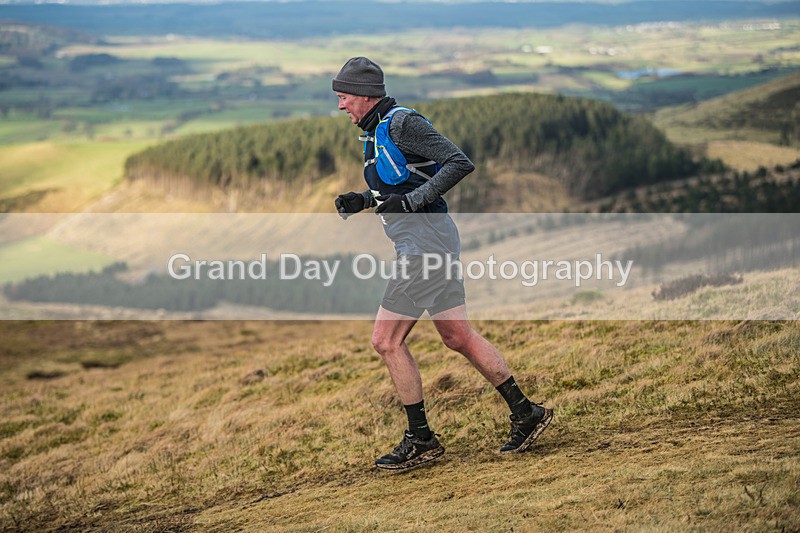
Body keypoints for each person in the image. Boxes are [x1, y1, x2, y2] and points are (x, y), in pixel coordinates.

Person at [332, 57, 552, 470]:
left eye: (343, 97)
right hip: (430, 242)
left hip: (424, 247)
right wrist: (362, 200)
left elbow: (458, 162)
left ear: (364, 95)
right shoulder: (374, 131)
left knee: (386, 340)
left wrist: (413, 203)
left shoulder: (402, 123)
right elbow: (403, 182)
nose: (341, 106)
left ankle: (421, 439)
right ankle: (527, 413)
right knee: (457, 336)